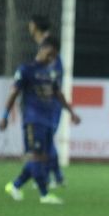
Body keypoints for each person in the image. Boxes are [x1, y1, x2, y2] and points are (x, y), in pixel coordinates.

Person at [0, 36, 80, 204]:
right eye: (50, 54)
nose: (52, 58)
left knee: (42, 158)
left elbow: (58, 94)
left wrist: (71, 112)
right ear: (43, 49)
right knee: (37, 157)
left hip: (48, 120)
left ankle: (15, 185)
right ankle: (44, 195)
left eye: (54, 56)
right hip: (33, 120)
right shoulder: (26, 70)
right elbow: (14, 93)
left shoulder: (50, 72)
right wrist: (5, 116)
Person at [29, 14, 66, 187]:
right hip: (47, 102)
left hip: (49, 103)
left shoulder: (48, 46)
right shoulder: (45, 45)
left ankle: (48, 176)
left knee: (45, 140)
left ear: (34, 26)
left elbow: (54, 76)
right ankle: (55, 177)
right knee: (47, 140)